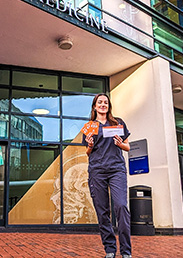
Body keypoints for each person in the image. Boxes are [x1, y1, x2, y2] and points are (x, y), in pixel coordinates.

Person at [83, 93, 131, 258]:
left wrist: (120, 144)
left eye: (105, 102)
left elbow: (128, 147)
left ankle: (126, 251)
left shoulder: (117, 123)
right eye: (99, 102)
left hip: (116, 169)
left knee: (121, 206)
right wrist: (89, 145)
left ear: (108, 106)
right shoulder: (90, 126)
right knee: (102, 211)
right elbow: (88, 152)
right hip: (97, 170)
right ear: (95, 106)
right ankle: (110, 249)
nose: (103, 104)